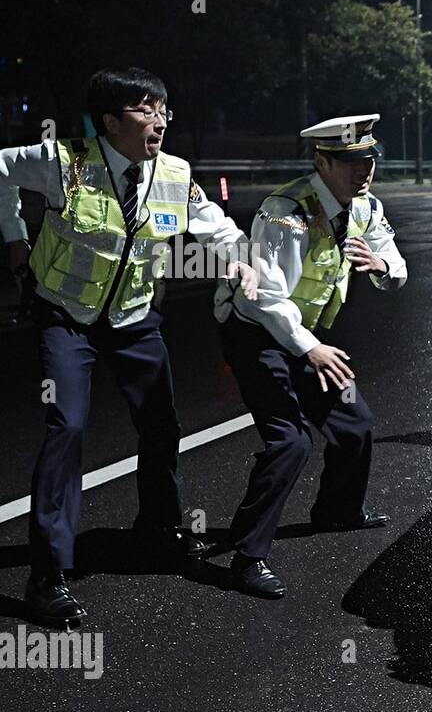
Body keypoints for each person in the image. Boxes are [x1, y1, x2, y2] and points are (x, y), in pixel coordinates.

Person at [0, 67, 252, 627]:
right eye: (146, 110)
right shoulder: (62, 160)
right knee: (66, 427)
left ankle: (158, 534)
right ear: (110, 121)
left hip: (135, 319)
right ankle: (48, 574)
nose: (160, 120)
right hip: (66, 316)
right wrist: (14, 237)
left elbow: (216, 225)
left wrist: (237, 256)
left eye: (164, 109)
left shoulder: (175, 173)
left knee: (162, 425)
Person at [214, 114, 406, 600]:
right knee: (291, 442)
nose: (363, 171)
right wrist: (311, 349)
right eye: (349, 162)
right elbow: (266, 298)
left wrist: (382, 265)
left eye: (368, 160)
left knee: (354, 422)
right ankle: (247, 556)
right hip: (256, 332)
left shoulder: (364, 207)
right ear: (321, 161)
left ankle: (337, 511)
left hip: (306, 335)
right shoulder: (286, 213)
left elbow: (396, 265)